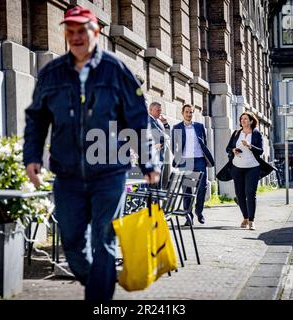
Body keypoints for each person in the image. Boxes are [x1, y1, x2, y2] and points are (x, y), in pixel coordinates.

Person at [23, 5, 159, 301]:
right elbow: (36, 118)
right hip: (68, 176)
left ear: (95, 32)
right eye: (70, 31)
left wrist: (149, 161)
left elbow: (137, 120)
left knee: (104, 241)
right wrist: (31, 156)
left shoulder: (116, 70)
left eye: (82, 31)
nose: (76, 37)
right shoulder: (52, 73)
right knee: (71, 244)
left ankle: (99, 300)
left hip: (109, 172)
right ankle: (100, 281)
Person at [171, 104, 214, 226]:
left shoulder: (200, 127)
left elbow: (204, 143)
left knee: (202, 187)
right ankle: (188, 216)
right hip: (186, 161)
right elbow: (175, 147)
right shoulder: (177, 128)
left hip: (200, 160)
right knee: (187, 190)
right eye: (187, 112)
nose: (189, 114)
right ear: (182, 113)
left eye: (191, 112)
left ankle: (199, 211)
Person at [225, 112, 265, 231]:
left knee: (250, 193)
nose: (243, 121)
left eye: (246, 119)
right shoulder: (237, 133)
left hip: (253, 167)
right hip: (237, 167)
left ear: (251, 121)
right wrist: (233, 150)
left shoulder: (256, 134)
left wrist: (250, 146)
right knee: (240, 194)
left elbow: (261, 151)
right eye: (242, 119)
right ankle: (245, 217)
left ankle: (252, 221)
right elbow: (228, 148)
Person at [148, 101, 170, 187]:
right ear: (150, 110)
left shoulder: (158, 121)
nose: (160, 112)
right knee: (155, 186)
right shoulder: (150, 120)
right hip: (155, 158)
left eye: (160, 110)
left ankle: (156, 200)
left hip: (160, 157)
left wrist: (165, 123)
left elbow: (167, 135)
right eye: (158, 110)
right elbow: (164, 136)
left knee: (158, 184)